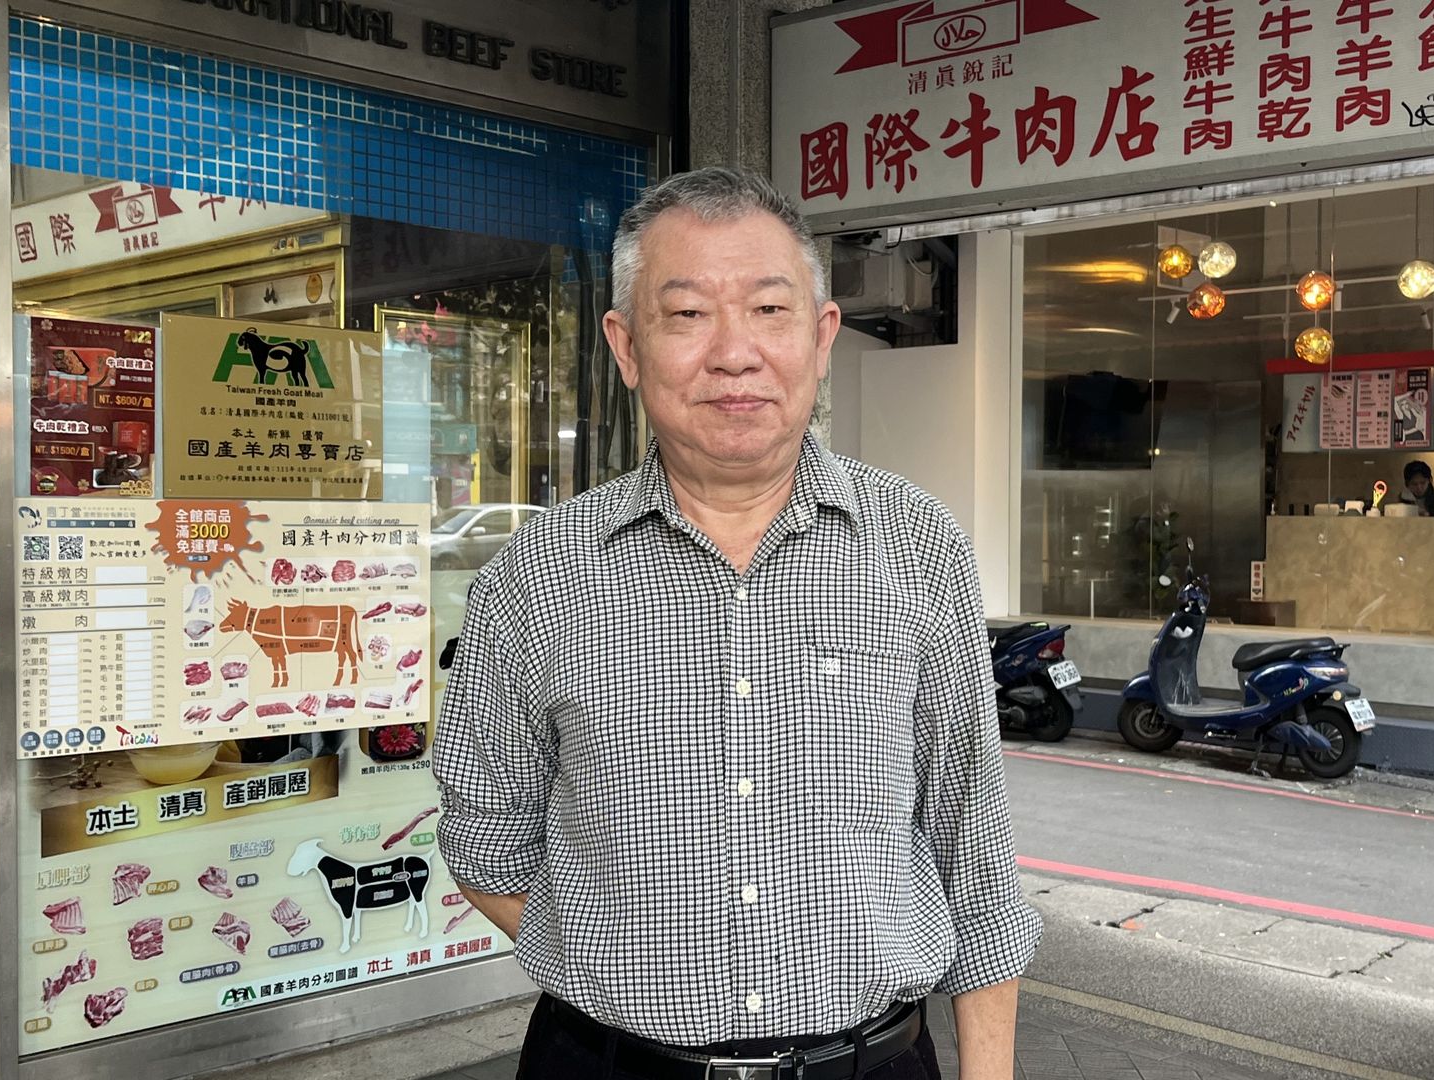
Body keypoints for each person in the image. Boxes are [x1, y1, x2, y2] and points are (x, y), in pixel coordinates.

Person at [434, 166, 1040, 1080]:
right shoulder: (539, 574)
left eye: (768, 310)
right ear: (627, 346)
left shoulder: (916, 545)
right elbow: (485, 838)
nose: (734, 353)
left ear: (823, 335)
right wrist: (620, 953)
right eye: (686, 315)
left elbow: (971, 839)